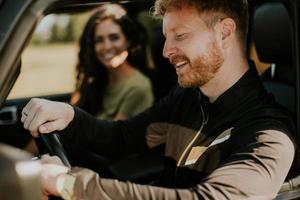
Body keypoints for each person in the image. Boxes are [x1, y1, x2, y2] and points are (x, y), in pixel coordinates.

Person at [21, 0, 296, 199]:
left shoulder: (268, 135)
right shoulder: (188, 98)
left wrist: (69, 184)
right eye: (166, 37)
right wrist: (70, 117)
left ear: (224, 32)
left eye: (181, 36)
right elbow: (124, 137)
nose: (165, 51)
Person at [70, 4, 154, 120]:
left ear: (128, 41)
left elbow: (111, 136)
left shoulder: (138, 88)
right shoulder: (95, 81)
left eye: (114, 38)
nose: (107, 47)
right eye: (99, 40)